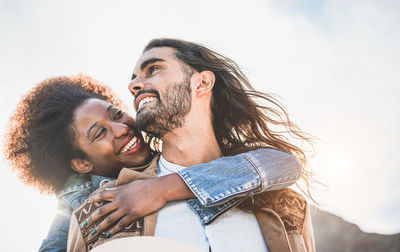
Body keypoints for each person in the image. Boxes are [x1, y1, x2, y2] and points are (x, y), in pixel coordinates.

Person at [4, 74, 301, 252]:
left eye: (116, 114)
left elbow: (281, 164)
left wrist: (162, 189)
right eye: (100, 133)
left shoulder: (175, 151)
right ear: (81, 163)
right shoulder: (79, 203)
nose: (121, 129)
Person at [73, 39, 315, 251]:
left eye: (153, 69)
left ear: (202, 83)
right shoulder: (100, 212)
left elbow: (285, 163)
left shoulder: (288, 206)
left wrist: (162, 189)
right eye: (134, 78)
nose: (133, 86)